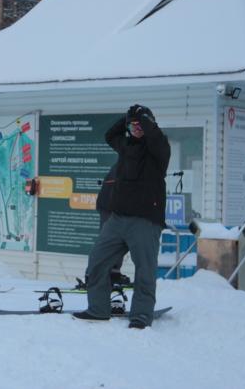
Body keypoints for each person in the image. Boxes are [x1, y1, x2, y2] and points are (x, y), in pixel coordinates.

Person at [73, 105, 170, 329]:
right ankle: (98, 309)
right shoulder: (126, 146)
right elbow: (110, 135)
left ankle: (141, 316)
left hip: (145, 221)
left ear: (149, 125)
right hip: (117, 219)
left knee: (144, 270)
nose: (136, 129)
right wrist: (127, 117)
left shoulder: (159, 150)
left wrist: (144, 119)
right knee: (97, 261)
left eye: (141, 125)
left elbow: (154, 136)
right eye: (133, 126)